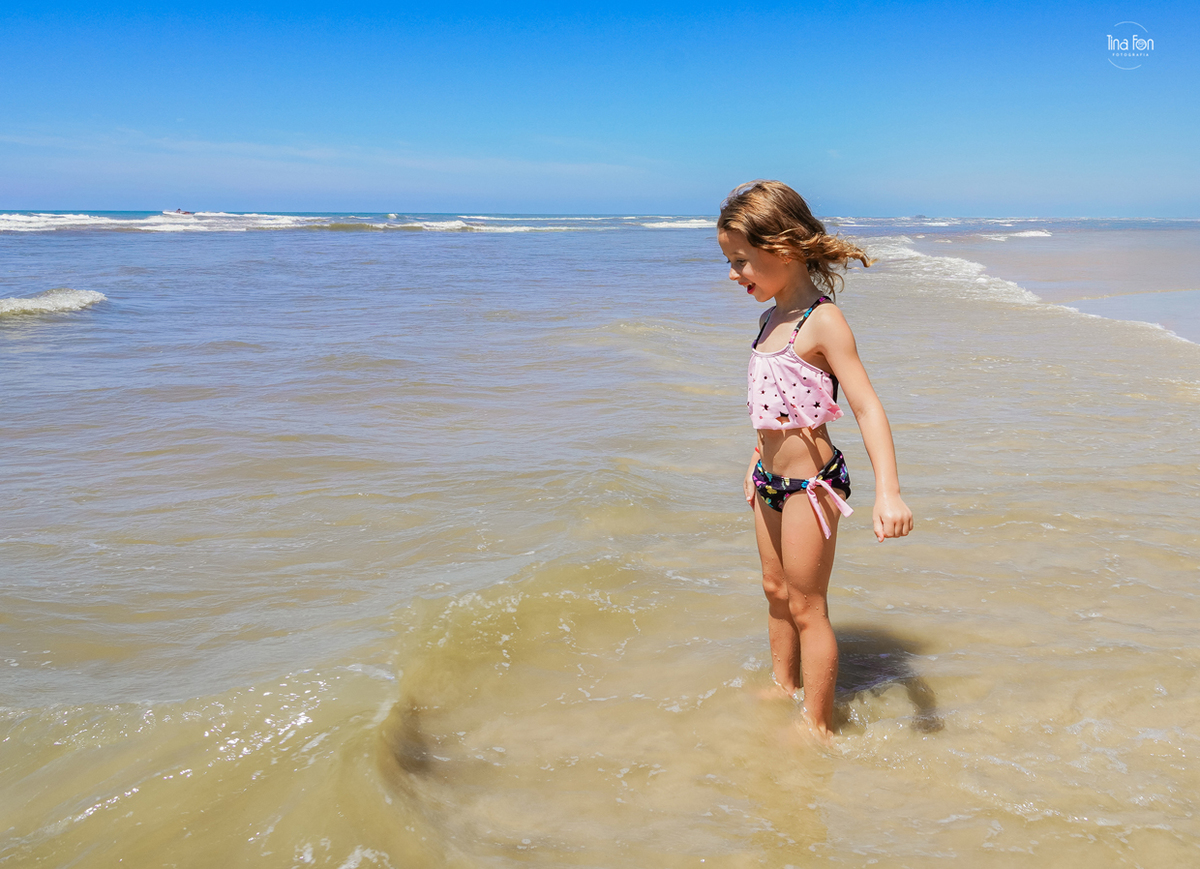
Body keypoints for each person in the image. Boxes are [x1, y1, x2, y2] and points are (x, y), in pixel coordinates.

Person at [717, 180, 914, 741]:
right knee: (775, 591)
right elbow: (775, 405)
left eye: (741, 261)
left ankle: (818, 727)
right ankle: (785, 685)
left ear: (782, 250)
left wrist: (888, 491)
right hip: (769, 480)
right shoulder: (769, 316)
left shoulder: (821, 321)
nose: (734, 275)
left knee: (808, 606)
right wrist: (757, 457)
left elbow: (867, 407)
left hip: (810, 487)